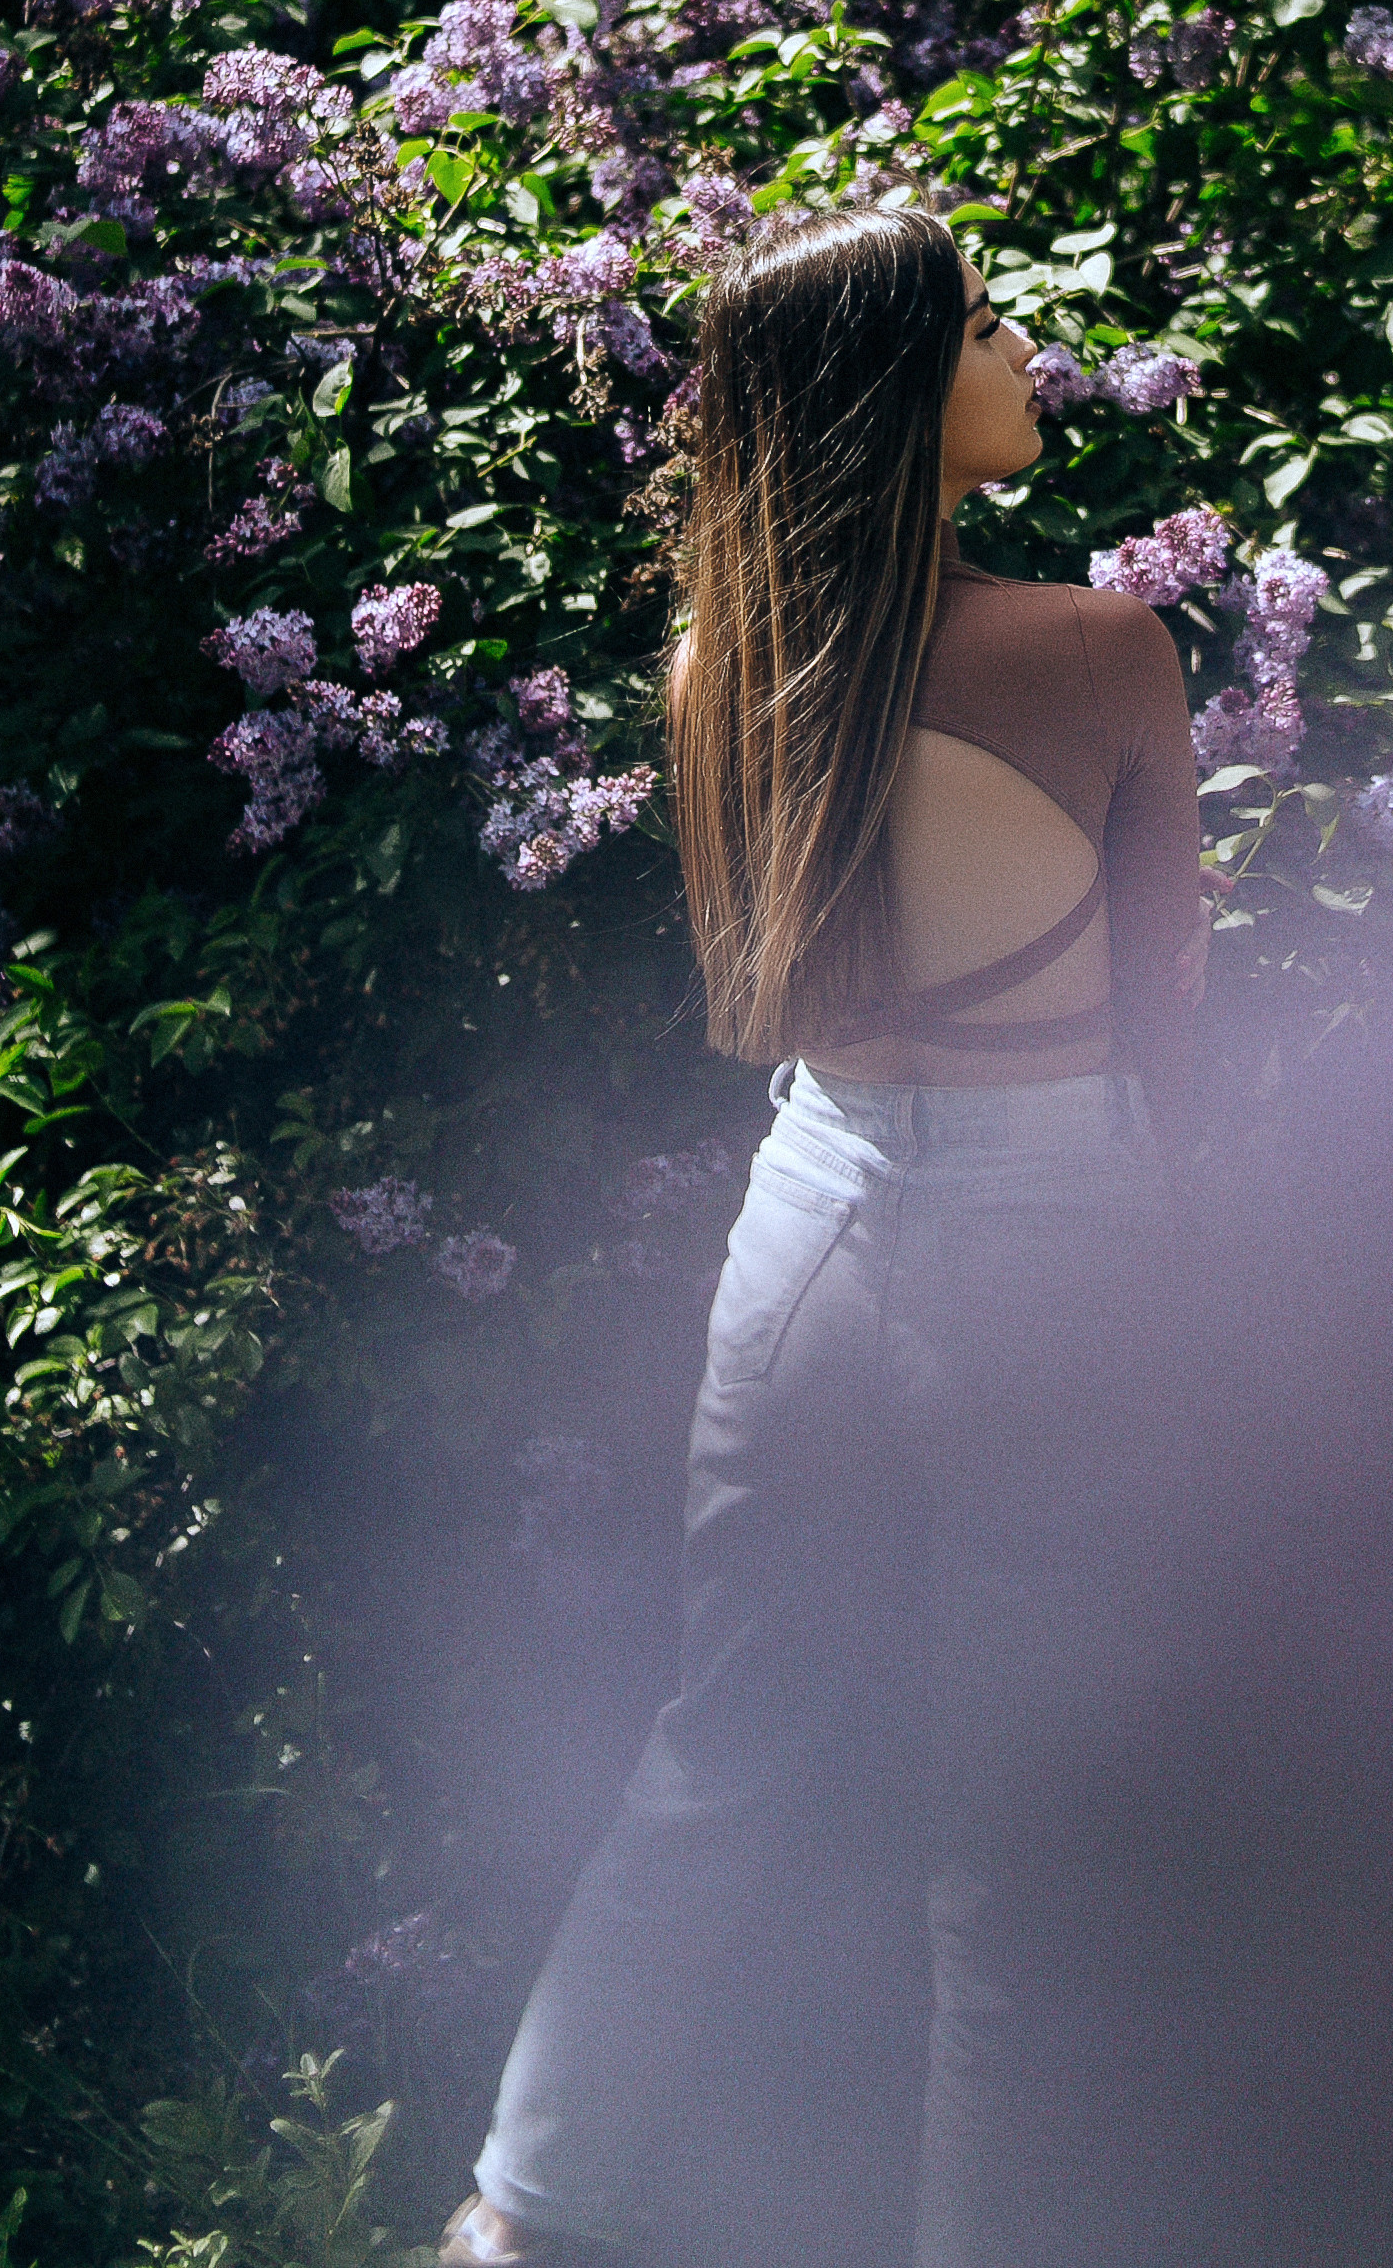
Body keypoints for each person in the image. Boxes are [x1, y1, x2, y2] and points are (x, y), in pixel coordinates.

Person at [439, 205, 1210, 2268]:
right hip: (1057, 1234)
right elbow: (1181, 1045)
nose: (1020, 342)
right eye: (979, 319)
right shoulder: (1101, 648)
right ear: (897, 389)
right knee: (1007, 1835)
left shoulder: (716, 662)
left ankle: (512, 2210)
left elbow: (759, 1001)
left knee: (723, 1741)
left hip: (811, 1224)